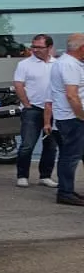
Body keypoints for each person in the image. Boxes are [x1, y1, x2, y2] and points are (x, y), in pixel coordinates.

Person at [13, 34, 58, 189]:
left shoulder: (57, 64)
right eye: (33, 46)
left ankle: (45, 176)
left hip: (53, 109)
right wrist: (26, 104)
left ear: (49, 48)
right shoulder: (24, 64)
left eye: (39, 47)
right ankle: (22, 175)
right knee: (27, 144)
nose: (35, 50)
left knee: (50, 145)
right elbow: (18, 85)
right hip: (32, 109)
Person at [46, 33, 84, 207]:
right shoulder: (70, 65)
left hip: (68, 117)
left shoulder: (65, 62)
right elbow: (72, 95)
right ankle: (65, 192)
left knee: (73, 155)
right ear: (82, 48)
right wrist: (81, 115)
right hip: (73, 118)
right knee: (70, 156)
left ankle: (67, 190)